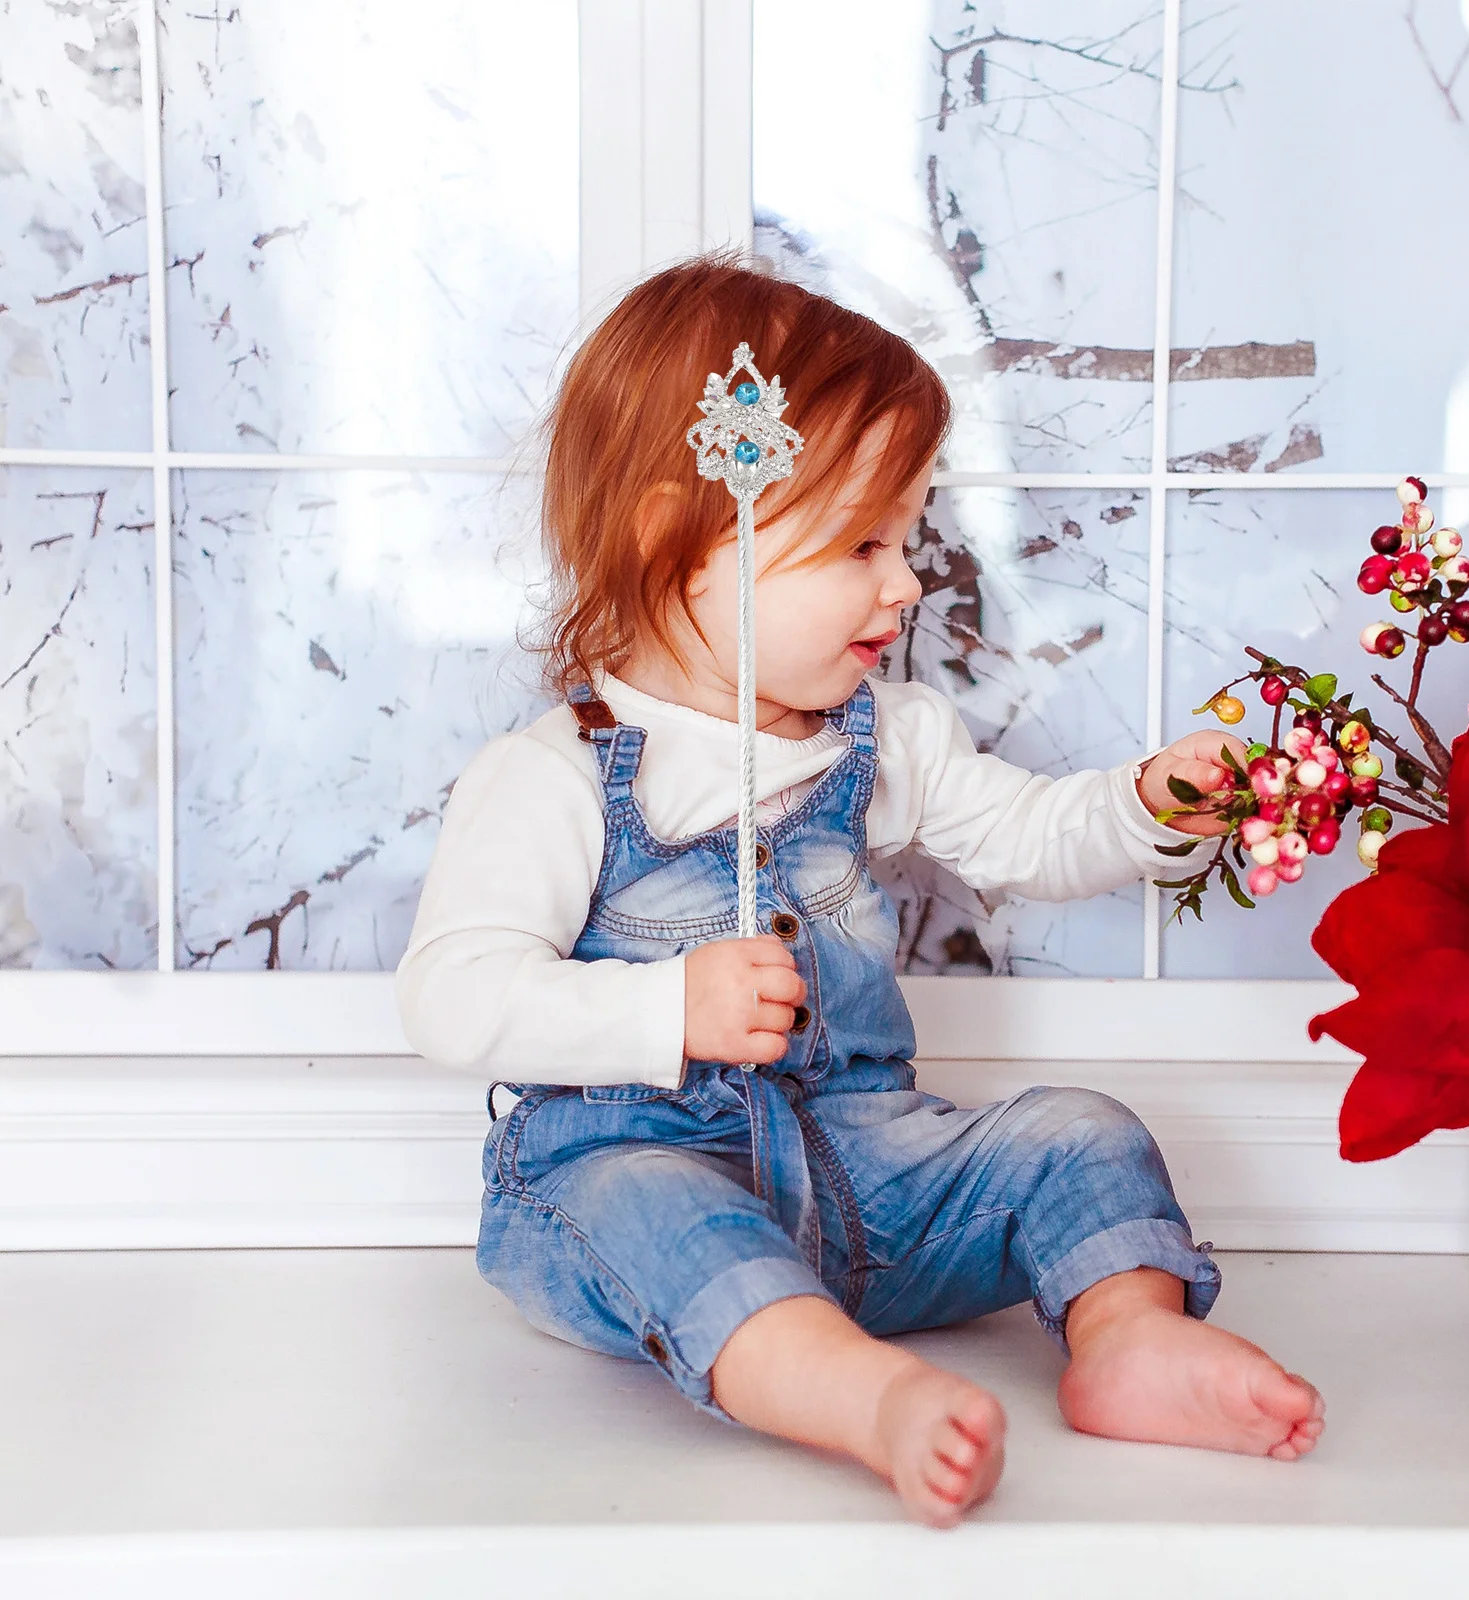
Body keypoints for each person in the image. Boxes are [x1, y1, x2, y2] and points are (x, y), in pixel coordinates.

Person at [396, 258, 1324, 1526]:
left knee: (1080, 1130)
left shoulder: (882, 738)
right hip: (637, 1164)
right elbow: (455, 997)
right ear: (685, 538)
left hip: (868, 1181)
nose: (905, 584)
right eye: (863, 543)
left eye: (910, 537)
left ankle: (1126, 1336)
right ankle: (857, 1394)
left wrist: (1146, 802)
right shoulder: (557, 773)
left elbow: (1027, 836)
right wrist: (663, 1008)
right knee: (656, 1212)